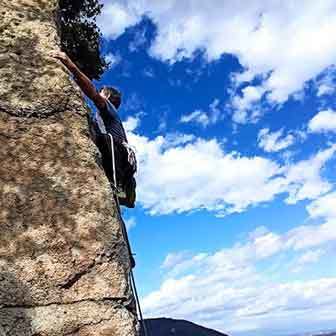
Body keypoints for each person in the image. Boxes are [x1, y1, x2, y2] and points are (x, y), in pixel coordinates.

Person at [50, 51, 136, 208]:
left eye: (102, 93)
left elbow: (92, 93)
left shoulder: (109, 109)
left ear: (108, 97)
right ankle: (118, 185)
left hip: (121, 159)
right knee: (98, 136)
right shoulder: (103, 119)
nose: (99, 93)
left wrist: (71, 66)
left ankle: (117, 185)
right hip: (120, 161)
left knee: (105, 138)